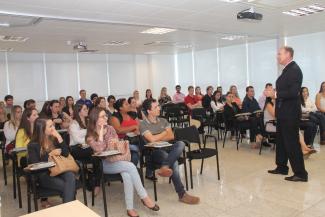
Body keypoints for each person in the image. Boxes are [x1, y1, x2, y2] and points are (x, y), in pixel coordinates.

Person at [86, 108, 159, 217]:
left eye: (106, 116)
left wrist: (112, 144)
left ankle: (130, 209)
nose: (106, 118)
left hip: (117, 159)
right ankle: (144, 197)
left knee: (127, 175)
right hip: (105, 164)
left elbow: (115, 144)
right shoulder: (90, 136)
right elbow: (100, 150)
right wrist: (101, 132)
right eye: (103, 116)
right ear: (95, 119)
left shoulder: (110, 128)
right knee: (130, 167)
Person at [140, 98, 200, 205]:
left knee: (181, 143)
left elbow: (171, 135)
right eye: (156, 107)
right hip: (154, 151)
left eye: (158, 106)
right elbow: (152, 140)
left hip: (168, 147)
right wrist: (164, 133)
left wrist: (157, 136)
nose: (159, 108)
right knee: (174, 162)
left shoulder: (163, 120)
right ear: (149, 111)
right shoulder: (143, 124)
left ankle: (165, 166)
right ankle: (182, 194)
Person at [268, 46, 308, 182]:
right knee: (282, 141)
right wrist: (273, 93)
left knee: (291, 143)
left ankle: (301, 173)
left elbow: (293, 92)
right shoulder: (287, 70)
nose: (277, 56)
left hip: (290, 113)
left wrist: (275, 94)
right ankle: (281, 167)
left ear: (288, 55)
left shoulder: (294, 70)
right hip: (283, 112)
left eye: (280, 54)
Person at [27, 118, 76, 203]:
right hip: (44, 174)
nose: (53, 128)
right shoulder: (32, 145)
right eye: (50, 126)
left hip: (59, 169)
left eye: (53, 125)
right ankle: (70, 210)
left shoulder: (54, 139)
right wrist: (51, 154)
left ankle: (68, 210)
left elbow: (66, 153)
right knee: (68, 186)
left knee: (70, 176)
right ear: (42, 129)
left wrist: (59, 137)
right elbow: (36, 165)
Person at [69, 104, 101, 196]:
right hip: (76, 148)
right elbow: (77, 139)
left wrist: (88, 137)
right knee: (95, 151)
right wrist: (90, 138)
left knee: (96, 157)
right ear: (79, 112)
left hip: (88, 147)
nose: (87, 110)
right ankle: (92, 181)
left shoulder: (88, 122)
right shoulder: (73, 124)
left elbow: (95, 134)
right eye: (85, 109)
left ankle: (97, 184)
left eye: (87, 108)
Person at [111, 98, 141, 165]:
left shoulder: (133, 114)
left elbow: (139, 126)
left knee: (135, 154)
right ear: (121, 108)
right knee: (134, 154)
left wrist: (137, 129)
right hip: (122, 142)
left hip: (135, 140)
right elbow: (118, 130)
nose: (129, 105)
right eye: (126, 104)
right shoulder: (115, 117)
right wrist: (133, 127)